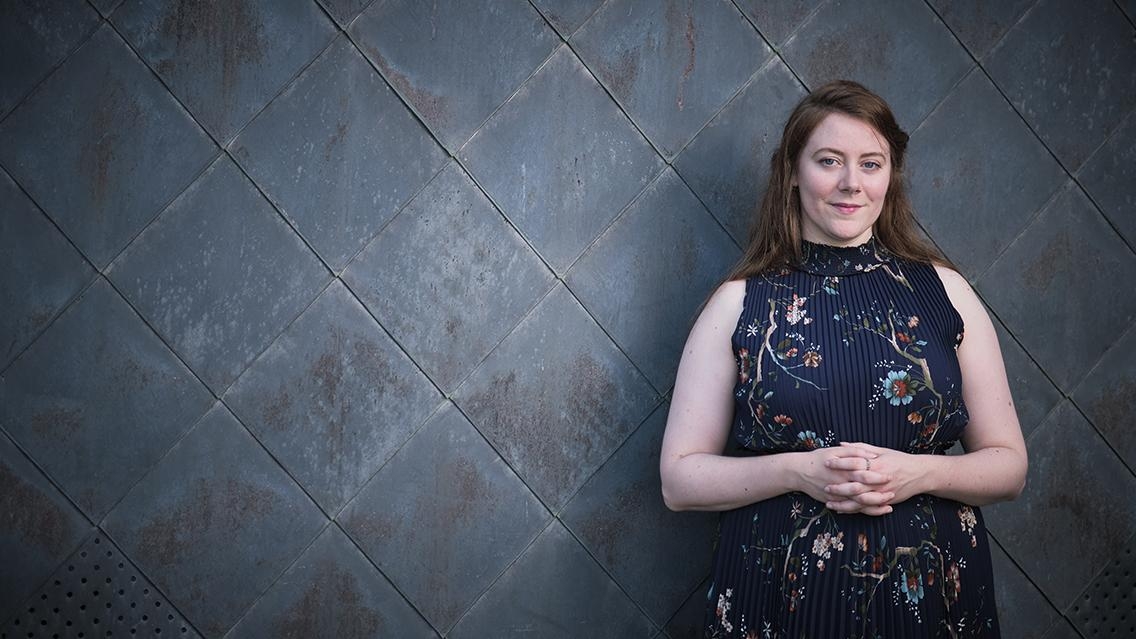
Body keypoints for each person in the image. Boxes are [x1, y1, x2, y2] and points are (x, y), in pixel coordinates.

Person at [660, 80, 1027, 638]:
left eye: (871, 163)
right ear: (792, 170)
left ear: (890, 175)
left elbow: (1009, 466)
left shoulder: (945, 292)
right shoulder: (740, 301)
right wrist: (796, 471)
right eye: (829, 161)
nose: (851, 183)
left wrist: (920, 473)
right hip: (777, 596)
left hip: (930, 596)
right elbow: (679, 482)